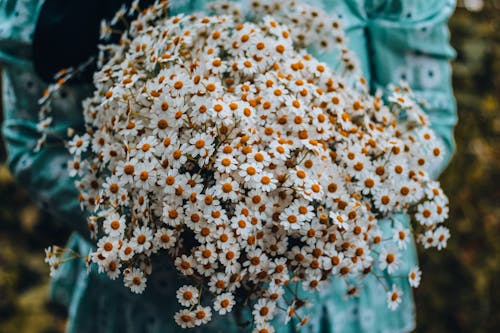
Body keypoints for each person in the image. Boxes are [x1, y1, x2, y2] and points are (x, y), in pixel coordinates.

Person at [0, 0, 457, 332]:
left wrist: (323, 224)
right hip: (151, 305)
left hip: (336, 297)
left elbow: (424, 122)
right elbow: (35, 142)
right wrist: (151, 230)